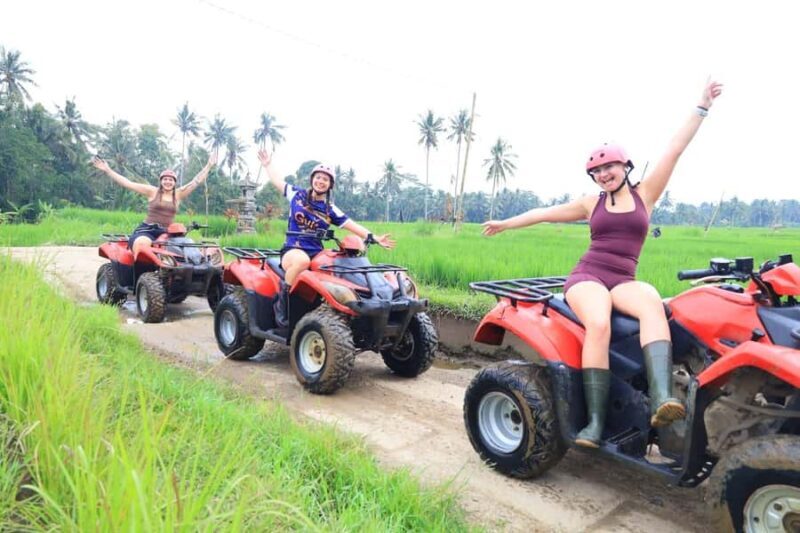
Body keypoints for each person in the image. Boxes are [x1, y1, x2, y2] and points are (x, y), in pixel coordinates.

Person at [482, 80, 723, 448]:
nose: (603, 174)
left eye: (609, 167)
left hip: (624, 277)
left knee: (655, 307)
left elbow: (675, 149)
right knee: (598, 322)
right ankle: (594, 422)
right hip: (588, 276)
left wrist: (701, 108)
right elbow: (544, 214)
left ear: (625, 167)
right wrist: (505, 224)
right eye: (597, 171)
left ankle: (662, 401)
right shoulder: (589, 203)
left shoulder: (646, 195)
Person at [257, 149, 395, 327]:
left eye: (325, 179)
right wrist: (268, 165)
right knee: (301, 262)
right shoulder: (296, 195)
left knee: (339, 269)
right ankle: (281, 303)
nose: (321, 181)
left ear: (330, 185)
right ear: (312, 179)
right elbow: (277, 181)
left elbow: (351, 225)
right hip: (293, 249)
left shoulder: (330, 209)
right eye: (318, 177)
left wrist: (374, 237)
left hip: (317, 252)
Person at [92, 154, 217, 258]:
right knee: (143, 247)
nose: (168, 182)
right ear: (161, 181)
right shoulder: (152, 191)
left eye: (171, 180)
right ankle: (140, 280)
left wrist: (208, 165)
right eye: (165, 179)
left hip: (168, 232)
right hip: (148, 230)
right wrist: (108, 170)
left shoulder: (178, 195)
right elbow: (128, 183)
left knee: (187, 251)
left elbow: (196, 181)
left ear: (174, 182)